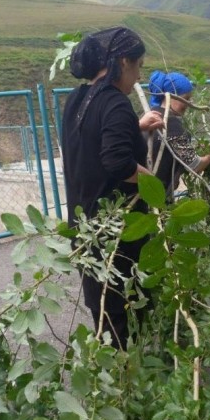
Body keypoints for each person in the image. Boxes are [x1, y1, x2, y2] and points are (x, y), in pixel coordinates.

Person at [61, 26, 164, 349]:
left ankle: (111, 372)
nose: (137, 76)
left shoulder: (76, 99)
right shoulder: (116, 103)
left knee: (102, 304)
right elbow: (118, 163)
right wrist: (153, 185)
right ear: (122, 62)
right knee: (126, 304)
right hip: (119, 228)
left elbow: (94, 140)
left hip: (86, 224)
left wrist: (135, 126)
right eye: (137, 66)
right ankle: (128, 377)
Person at [147, 70, 210, 198]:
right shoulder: (171, 123)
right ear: (171, 96)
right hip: (156, 194)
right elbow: (194, 166)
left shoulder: (150, 115)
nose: (188, 104)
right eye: (185, 99)